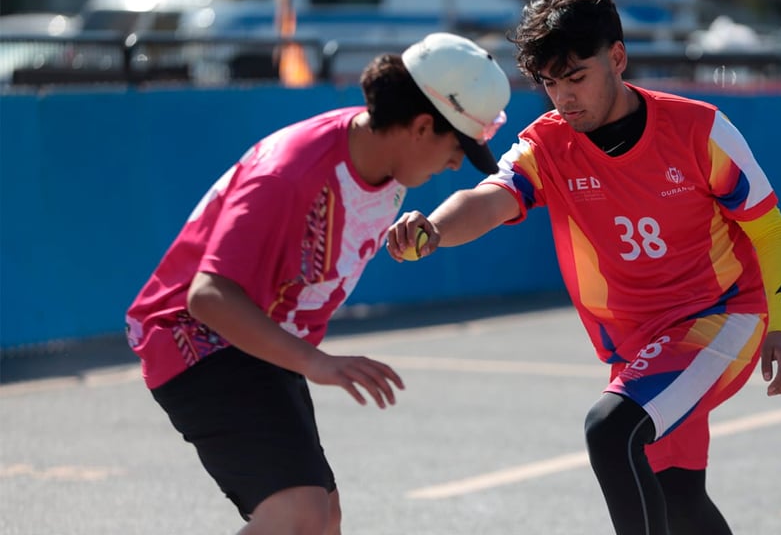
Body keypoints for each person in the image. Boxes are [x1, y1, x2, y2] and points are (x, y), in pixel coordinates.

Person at [387, 0, 781, 535]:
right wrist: (433, 228)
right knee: (678, 498)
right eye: (550, 84)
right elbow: (489, 198)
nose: (564, 98)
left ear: (618, 58)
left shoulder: (699, 131)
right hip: (640, 343)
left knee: (610, 430)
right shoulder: (548, 144)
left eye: (575, 77)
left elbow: (770, 230)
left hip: (722, 317)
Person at [124, 32, 511, 535]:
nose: (456, 163)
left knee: (323, 519)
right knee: (298, 516)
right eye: (457, 148)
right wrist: (316, 362)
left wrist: (414, 233)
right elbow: (208, 296)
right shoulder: (287, 174)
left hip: (262, 345)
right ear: (420, 127)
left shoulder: (386, 166)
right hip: (198, 341)